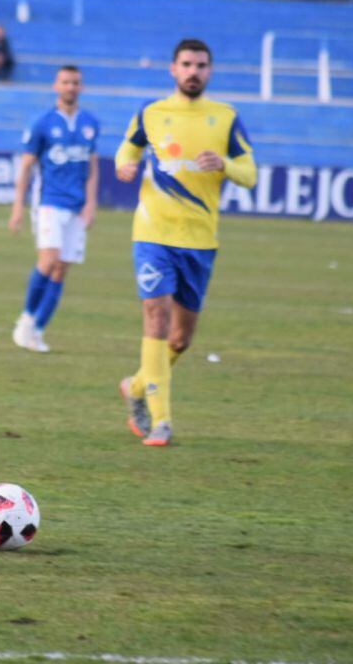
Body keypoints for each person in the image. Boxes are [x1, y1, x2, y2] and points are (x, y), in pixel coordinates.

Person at [114, 39, 257, 446]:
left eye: (201, 65)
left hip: (199, 240)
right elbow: (128, 147)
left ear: (209, 71)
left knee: (180, 339)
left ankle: (138, 386)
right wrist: (123, 164)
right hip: (153, 233)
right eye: (187, 64)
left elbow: (250, 173)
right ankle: (161, 421)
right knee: (155, 317)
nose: (194, 71)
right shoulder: (152, 113)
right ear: (173, 69)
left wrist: (226, 164)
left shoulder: (225, 118)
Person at [9, 65, 99, 353]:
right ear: (56, 86)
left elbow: (93, 167)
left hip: (77, 205)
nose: (70, 87)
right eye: (65, 82)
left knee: (61, 269)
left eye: (75, 82)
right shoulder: (42, 123)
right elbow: (26, 167)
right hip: (49, 201)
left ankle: (36, 331)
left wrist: (91, 202)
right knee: (49, 260)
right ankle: (25, 320)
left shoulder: (90, 122)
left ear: (81, 87)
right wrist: (18, 208)